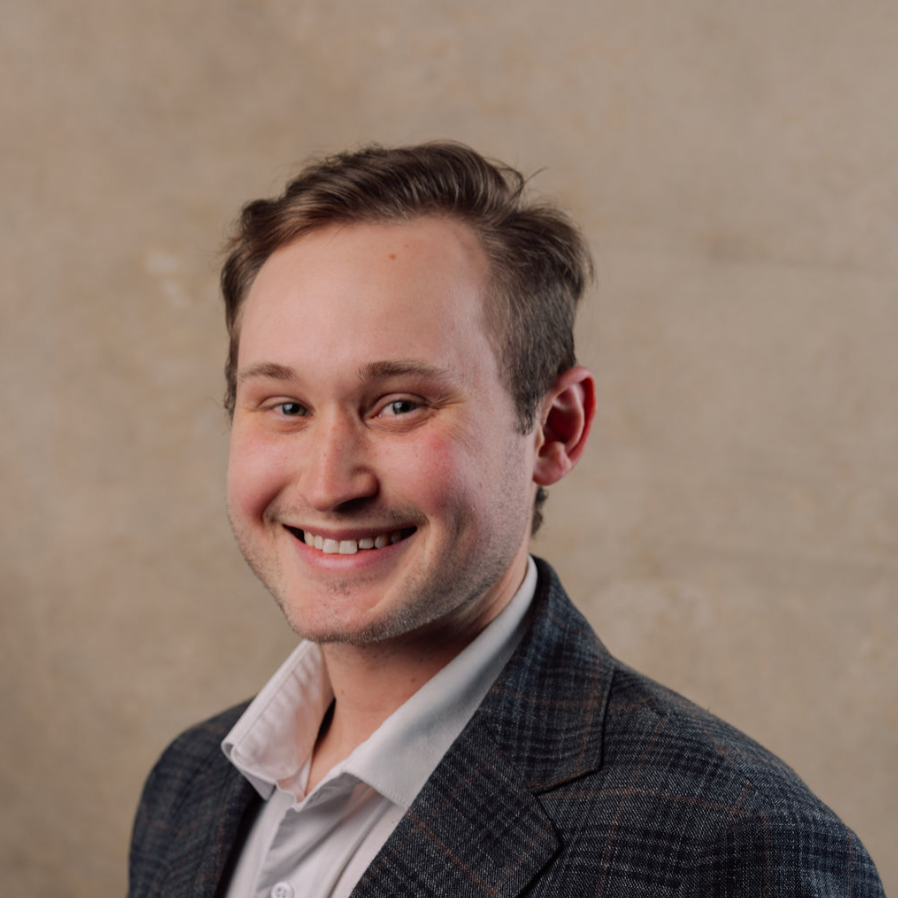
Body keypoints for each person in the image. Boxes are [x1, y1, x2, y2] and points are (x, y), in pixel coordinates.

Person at [128, 142, 884, 897]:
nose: (329, 484)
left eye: (400, 405)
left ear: (556, 429)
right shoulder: (190, 787)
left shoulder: (735, 846)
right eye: (287, 407)